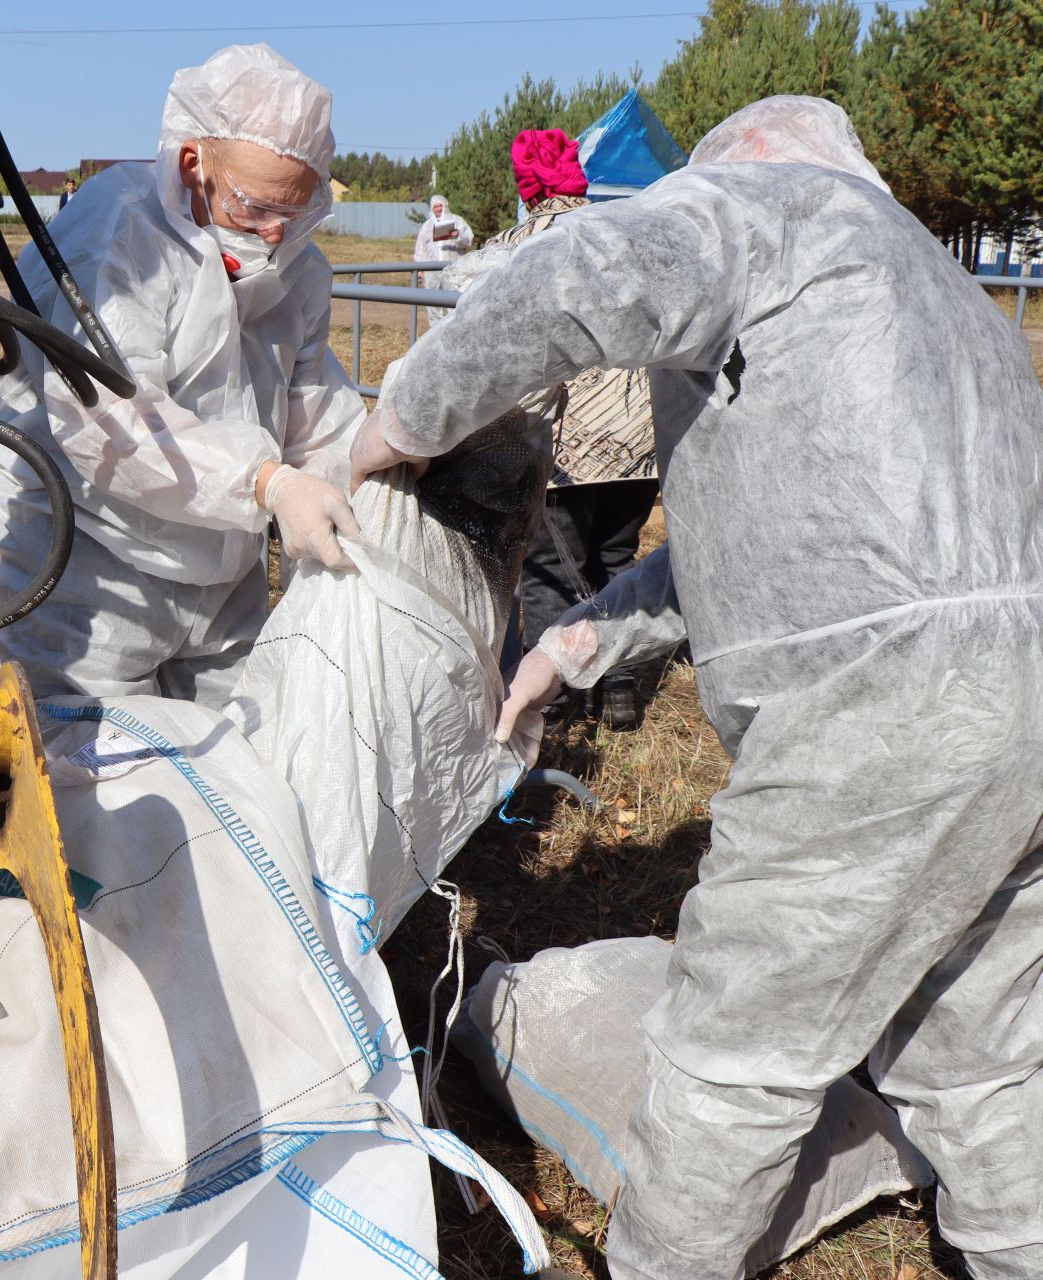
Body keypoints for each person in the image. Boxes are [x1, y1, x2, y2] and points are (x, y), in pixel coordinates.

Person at [350, 96, 1043, 1280]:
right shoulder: (931, 283)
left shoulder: (768, 209)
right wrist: (574, 645)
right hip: (1017, 701)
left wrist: (396, 423)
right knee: (985, 1028)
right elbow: (770, 551)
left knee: (737, 1048)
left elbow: (572, 281)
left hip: (872, 718)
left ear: (743, 166)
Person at [0, 43, 364, 705]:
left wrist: (351, 489)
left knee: (245, 775)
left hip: (220, 577)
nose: (273, 236)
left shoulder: (299, 269)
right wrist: (267, 483)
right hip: (83, 571)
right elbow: (108, 423)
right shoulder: (118, 235)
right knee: (92, 788)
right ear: (193, 161)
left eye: (294, 214)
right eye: (256, 208)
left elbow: (316, 412)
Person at [500, 128, 660, 730]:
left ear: (527, 186)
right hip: (639, 440)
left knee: (550, 575)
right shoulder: (622, 235)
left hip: (570, 448)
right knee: (616, 562)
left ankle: (554, 711)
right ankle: (617, 693)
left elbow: (512, 354)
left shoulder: (526, 247)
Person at [413, 192, 472, 264]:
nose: (439, 209)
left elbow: (468, 241)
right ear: (432, 209)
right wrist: (420, 269)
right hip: (431, 270)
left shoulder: (457, 221)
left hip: (454, 267)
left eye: (440, 206)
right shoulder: (427, 226)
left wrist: (458, 235)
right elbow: (420, 249)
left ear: (445, 206)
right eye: (436, 207)